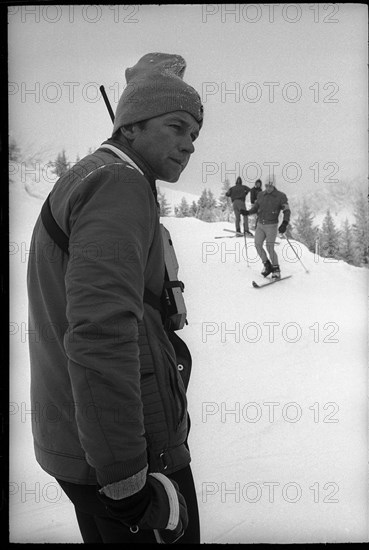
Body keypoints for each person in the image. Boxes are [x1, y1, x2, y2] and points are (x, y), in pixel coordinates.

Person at [27, 52, 204, 544]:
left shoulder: (95, 177)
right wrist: (127, 480)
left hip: (86, 443)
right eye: (176, 126)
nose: (189, 145)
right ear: (129, 127)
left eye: (194, 134)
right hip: (127, 460)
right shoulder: (117, 184)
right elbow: (100, 331)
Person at [241, 175, 290, 278]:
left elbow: (287, 210)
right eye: (267, 186)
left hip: (271, 226)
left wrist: (285, 223)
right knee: (257, 244)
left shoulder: (281, 196)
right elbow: (256, 207)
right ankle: (267, 265)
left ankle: (276, 270)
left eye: (270, 186)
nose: (268, 188)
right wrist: (247, 212)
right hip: (260, 225)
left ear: (274, 186)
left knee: (269, 247)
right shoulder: (260, 195)